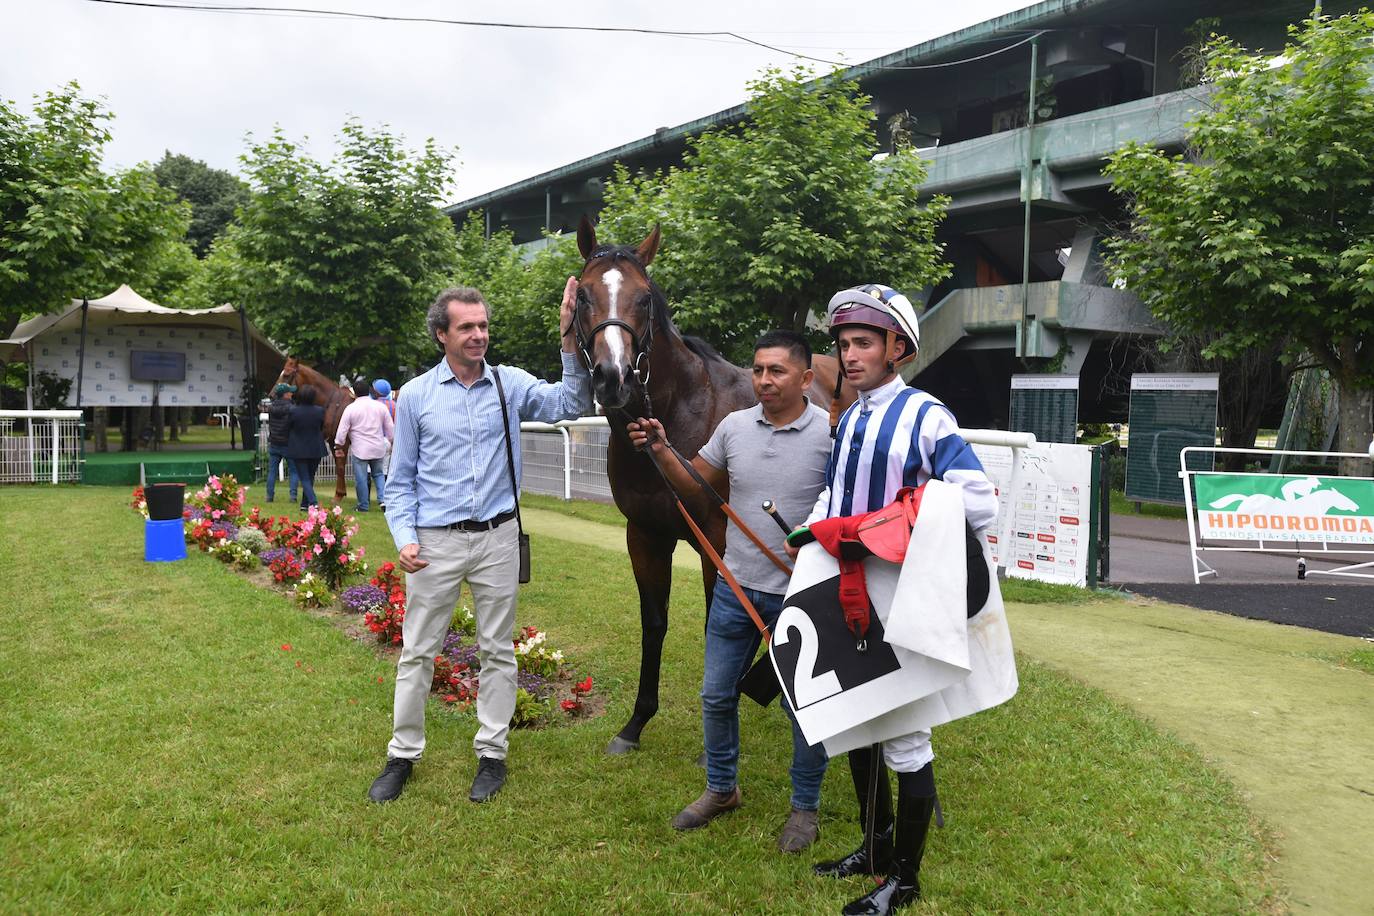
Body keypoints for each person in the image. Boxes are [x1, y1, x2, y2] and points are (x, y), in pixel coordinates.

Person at [793, 284, 996, 915]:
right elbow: (835, 495)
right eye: (844, 344)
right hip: (849, 593)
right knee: (860, 723)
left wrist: (893, 523)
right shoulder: (850, 414)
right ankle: (875, 852)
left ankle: (903, 882)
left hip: (901, 596)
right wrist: (812, 534)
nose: (849, 355)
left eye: (862, 343)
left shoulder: (926, 415)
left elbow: (978, 500)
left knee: (906, 737)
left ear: (896, 348)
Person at [368, 281, 591, 805]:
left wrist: (567, 335)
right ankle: (402, 754)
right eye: (466, 327)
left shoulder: (508, 384)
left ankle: (492, 753)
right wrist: (404, 538)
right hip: (435, 545)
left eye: (483, 325)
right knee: (418, 653)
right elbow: (399, 481)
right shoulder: (417, 394)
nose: (478, 335)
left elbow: (572, 402)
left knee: (497, 650)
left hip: (498, 538)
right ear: (441, 334)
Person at [627, 329, 831, 853]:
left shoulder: (831, 434)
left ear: (805, 378)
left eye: (777, 371)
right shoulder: (734, 427)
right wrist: (660, 449)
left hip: (800, 596)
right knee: (716, 695)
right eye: (758, 369)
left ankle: (804, 809)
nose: (763, 380)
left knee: (803, 708)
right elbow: (693, 482)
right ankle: (722, 790)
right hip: (734, 588)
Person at [335, 379, 394, 513]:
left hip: (360, 449)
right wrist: (392, 441)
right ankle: (383, 500)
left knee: (361, 478)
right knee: (379, 474)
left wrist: (338, 445)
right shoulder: (380, 407)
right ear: (369, 391)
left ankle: (363, 505)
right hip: (378, 446)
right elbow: (390, 428)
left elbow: (342, 430)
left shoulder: (351, 408)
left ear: (354, 393)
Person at [285, 383, 328, 511]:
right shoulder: (320, 411)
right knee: (310, 476)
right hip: (316, 447)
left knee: (304, 477)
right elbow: (321, 427)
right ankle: (305, 504)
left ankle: (313, 502)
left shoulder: (293, 411)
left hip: (299, 448)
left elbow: (288, 427)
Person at [264, 383, 299, 504]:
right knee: (294, 471)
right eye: (289, 392)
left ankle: (269, 496)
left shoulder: (271, 407)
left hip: (274, 442)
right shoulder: (292, 408)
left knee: (272, 471)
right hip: (289, 443)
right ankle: (293, 496)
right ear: (285, 395)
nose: (292, 393)